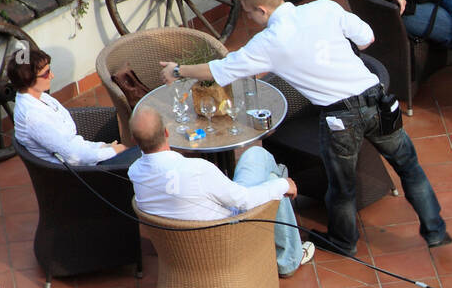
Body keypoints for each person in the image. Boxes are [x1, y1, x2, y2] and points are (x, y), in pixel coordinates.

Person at [158, 0, 450, 257]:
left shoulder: (268, 41)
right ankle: (435, 230)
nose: (250, 19)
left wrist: (176, 70)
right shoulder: (325, 7)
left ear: (262, 10)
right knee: (409, 166)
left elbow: (217, 70)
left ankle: (344, 241)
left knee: (342, 186)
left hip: (340, 118)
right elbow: (366, 38)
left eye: (249, 14)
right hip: (378, 101)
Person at [127, 107, 315, 276]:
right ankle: (288, 260)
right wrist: (283, 185)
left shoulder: (134, 172)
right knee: (266, 170)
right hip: (228, 241)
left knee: (265, 174)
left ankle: (280, 179)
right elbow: (245, 201)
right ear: (167, 132)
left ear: (134, 140)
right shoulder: (197, 170)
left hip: (180, 254)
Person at [10, 48, 139, 167]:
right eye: (46, 73)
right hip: (84, 173)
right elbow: (74, 157)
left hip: (88, 155)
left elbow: (72, 143)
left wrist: (102, 147)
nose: (52, 76)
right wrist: (112, 151)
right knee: (149, 154)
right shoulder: (33, 117)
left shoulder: (40, 97)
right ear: (29, 79)